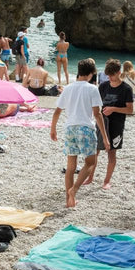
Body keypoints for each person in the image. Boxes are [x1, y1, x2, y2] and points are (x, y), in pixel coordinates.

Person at [50, 58, 111, 208]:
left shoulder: (68, 88)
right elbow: (97, 114)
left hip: (70, 129)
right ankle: (74, 190)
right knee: (91, 162)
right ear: (91, 74)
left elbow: (58, 111)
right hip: (85, 128)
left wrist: (53, 129)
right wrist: (104, 136)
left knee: (71, 167)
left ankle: (68, 201)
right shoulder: (92, 89)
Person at [85, 59, 134, 190]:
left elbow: (130, 110)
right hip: (101, 123)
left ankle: (107, 181)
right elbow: (96, 105)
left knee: (111, 153)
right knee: (95, 151)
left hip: (116, 124)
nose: (110, 78)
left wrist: (113, 109)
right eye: (108, 75)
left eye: (112, 75)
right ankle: (90, 177)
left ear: (119, 73)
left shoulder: (126, 89)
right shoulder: (103, 86)